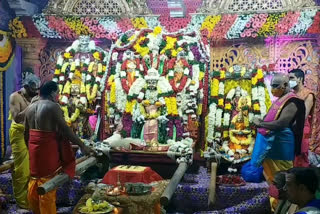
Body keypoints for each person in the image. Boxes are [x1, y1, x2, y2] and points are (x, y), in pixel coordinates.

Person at [24, 81, 94, 214]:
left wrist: (31, 151)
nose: (58, 96)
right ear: (52, 93)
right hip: (47, 151)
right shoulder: (52, 106)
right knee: (48, 185)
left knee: (35, 181)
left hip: (34, 152)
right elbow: (66, 130)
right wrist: (83, 146)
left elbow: (25, 134)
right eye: (57, 93)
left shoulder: (30, 108)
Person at [242, 74, 305, 184]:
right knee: (272, 179)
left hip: (281, 146)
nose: (273, 89)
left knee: (282, 180)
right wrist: (262, 121)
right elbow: (271, 118)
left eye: (275, 86)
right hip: (271, 144)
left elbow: (281, 124)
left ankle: (283, 200)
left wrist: (261, 124)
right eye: (271, 86)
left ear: (285, 85)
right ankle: (275, 199)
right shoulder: (280, 99)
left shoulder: (293, 102)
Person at [8, 74, 40, 209]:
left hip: (32, 133)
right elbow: (17, 118)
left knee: (33, 168)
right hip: (19, 133)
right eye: (33, 90)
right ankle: (22, 203)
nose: (36, 93)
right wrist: (32, 105)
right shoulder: (15, 97)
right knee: (22, 169)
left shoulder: (35, 96)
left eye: (37, 90)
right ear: (26, 87)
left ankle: (31, 198)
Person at [289, 69, 317, 167]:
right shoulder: (290, 94)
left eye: (291, 78)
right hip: (289, 128)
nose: (289, 81)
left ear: (300, 79)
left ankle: (301, 180)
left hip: (301, 128)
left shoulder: (308, 95)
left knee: (300, 156)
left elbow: (303, 116)